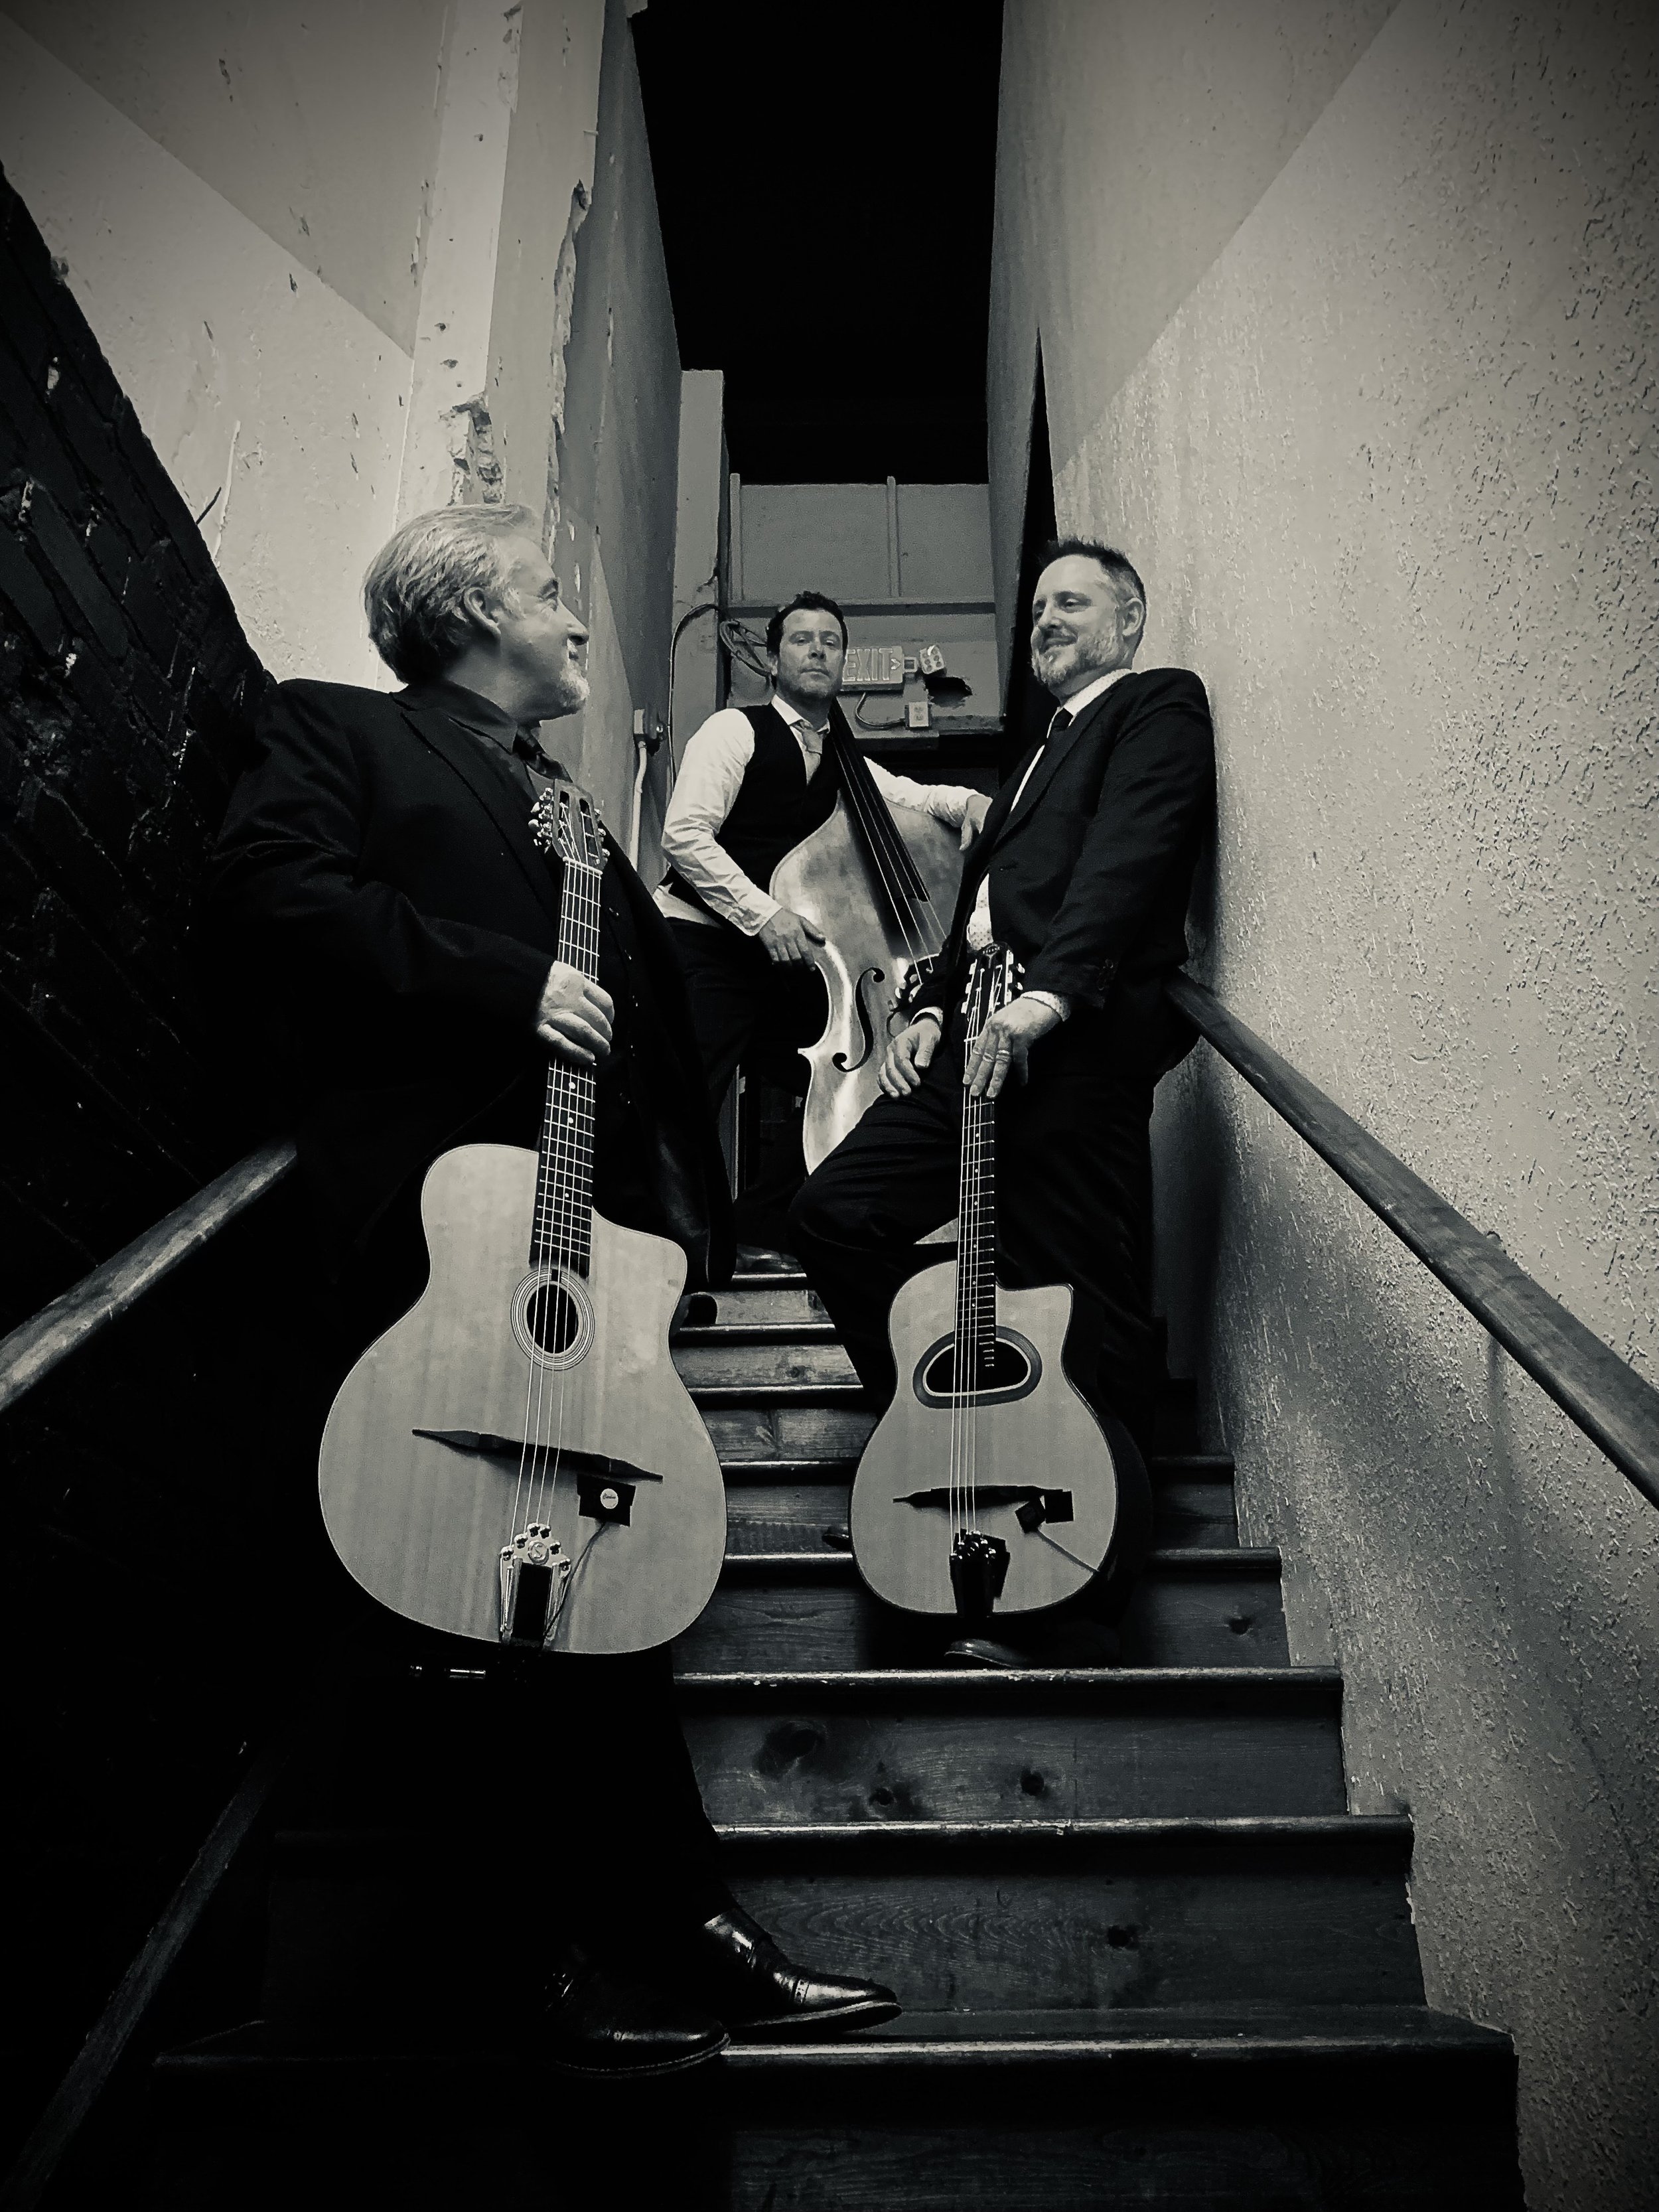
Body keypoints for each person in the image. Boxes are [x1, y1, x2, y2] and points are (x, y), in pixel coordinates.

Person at [205, 504, 899, 2071]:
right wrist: (498, 979)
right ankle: (539, 1963)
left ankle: (669, 1931)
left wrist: (684, 1241)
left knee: (601, 1590)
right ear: (462, 613)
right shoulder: (344, 734)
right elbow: (265, 890)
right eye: (547, 596)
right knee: (477, 1604)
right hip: (436, 1242)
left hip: (600, 1265)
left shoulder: (580, 819)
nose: (581, 627)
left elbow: (656, 1048)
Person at [787, 540, 1216, 1667]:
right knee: (832, 1214)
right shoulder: (1031, 759)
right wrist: (926, 1003)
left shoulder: (1157, 706)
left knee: (1082, 1300)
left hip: (1067, 1050)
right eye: (1038, 607)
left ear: (1130, 618)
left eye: (1074, 601)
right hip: (966, 1036)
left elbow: (1130, 857)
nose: (1049, 619)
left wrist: (1056, 999)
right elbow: (976, 907)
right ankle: (936, 1431)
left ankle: (1086, 1595)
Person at [657, 590, 990, 1256]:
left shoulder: (847, 762)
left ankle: (756, 1226)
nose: (816, 649)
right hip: (704, 941)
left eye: (830, 641)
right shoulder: (734, 731)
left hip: (791, 965)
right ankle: (672, 1252)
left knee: (843, 1083)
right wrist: (763, 914)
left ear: (843, 661)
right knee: (684, 1097)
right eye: (801, 639)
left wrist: (976, 801)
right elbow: (684, 836)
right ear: (774, 661)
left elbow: (915, 796)